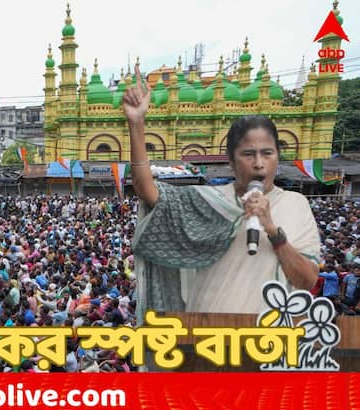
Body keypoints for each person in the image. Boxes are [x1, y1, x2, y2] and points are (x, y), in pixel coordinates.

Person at [123, 64, 319, 315]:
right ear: (231, 160)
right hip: (205, 338)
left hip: (267, 341)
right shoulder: (209, 201)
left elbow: (307, 281)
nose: (259, 163)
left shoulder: (296, 204)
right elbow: (146, 190)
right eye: (248, 154)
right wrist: (137, 124)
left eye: (267, 153)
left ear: (277, 157)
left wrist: (272, 230)